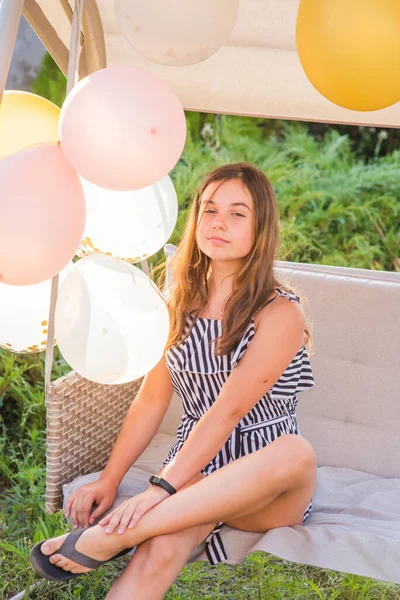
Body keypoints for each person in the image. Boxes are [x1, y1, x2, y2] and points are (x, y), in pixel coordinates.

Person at [31, 162, 317, 599]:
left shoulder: (280, 313)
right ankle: (128, 535)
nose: (218, 223)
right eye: (208, 209)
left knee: (295, 452)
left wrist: (157, 490)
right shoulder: (177, 305)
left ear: (261, 228)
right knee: (159, 553)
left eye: (237, 213)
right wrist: (110, 480)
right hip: (192, 473)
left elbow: (229, 411)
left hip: (266, 483)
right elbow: (151, 400)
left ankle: (111, 537)